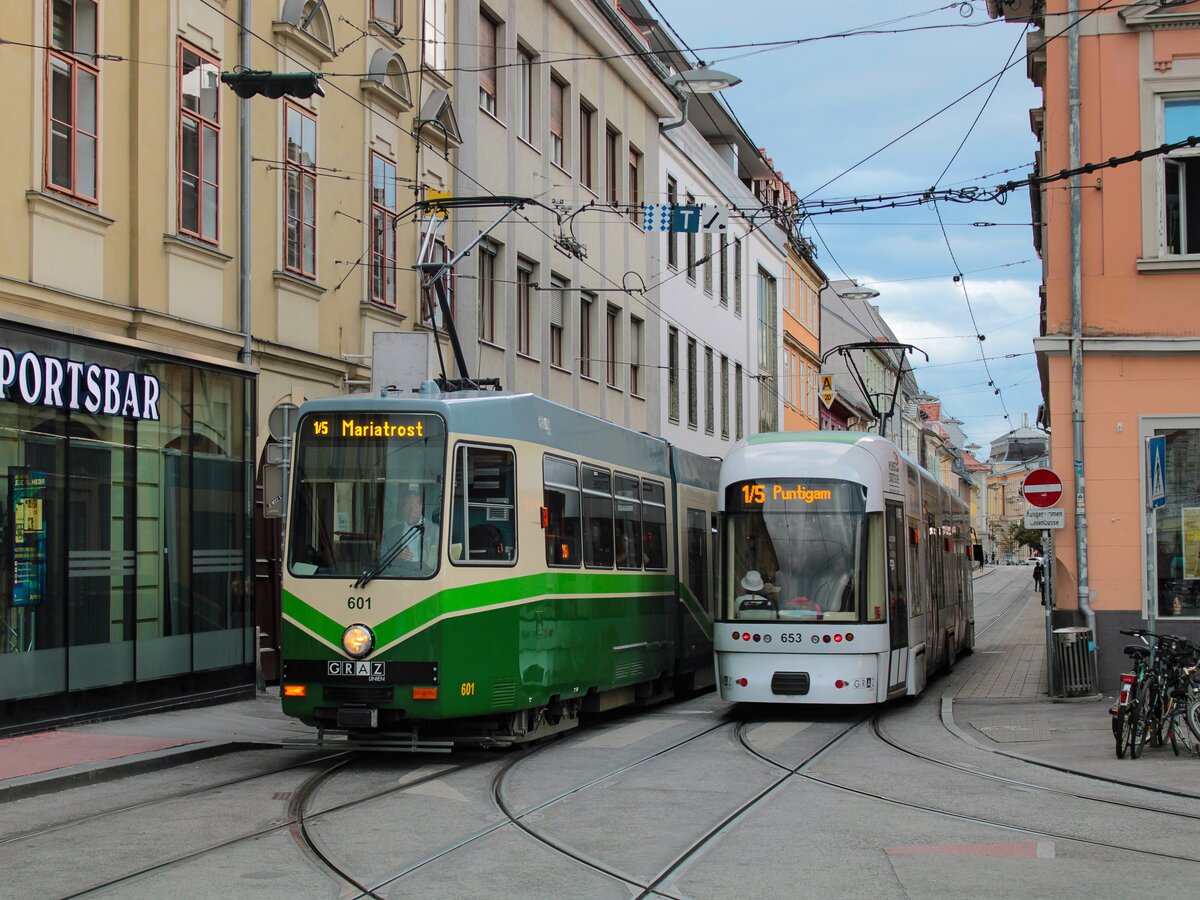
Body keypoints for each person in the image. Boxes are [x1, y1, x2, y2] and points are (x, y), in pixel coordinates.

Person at [384, 490, 438, 569]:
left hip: (424, 572)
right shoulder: (394, 532)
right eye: (406, 507)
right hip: (397, 571)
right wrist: (394, 555)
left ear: (421, 506)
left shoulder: (434, 530)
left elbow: (437, 558)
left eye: (412, 508)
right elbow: (381, 554)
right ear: (402, 509)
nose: (410, 512)